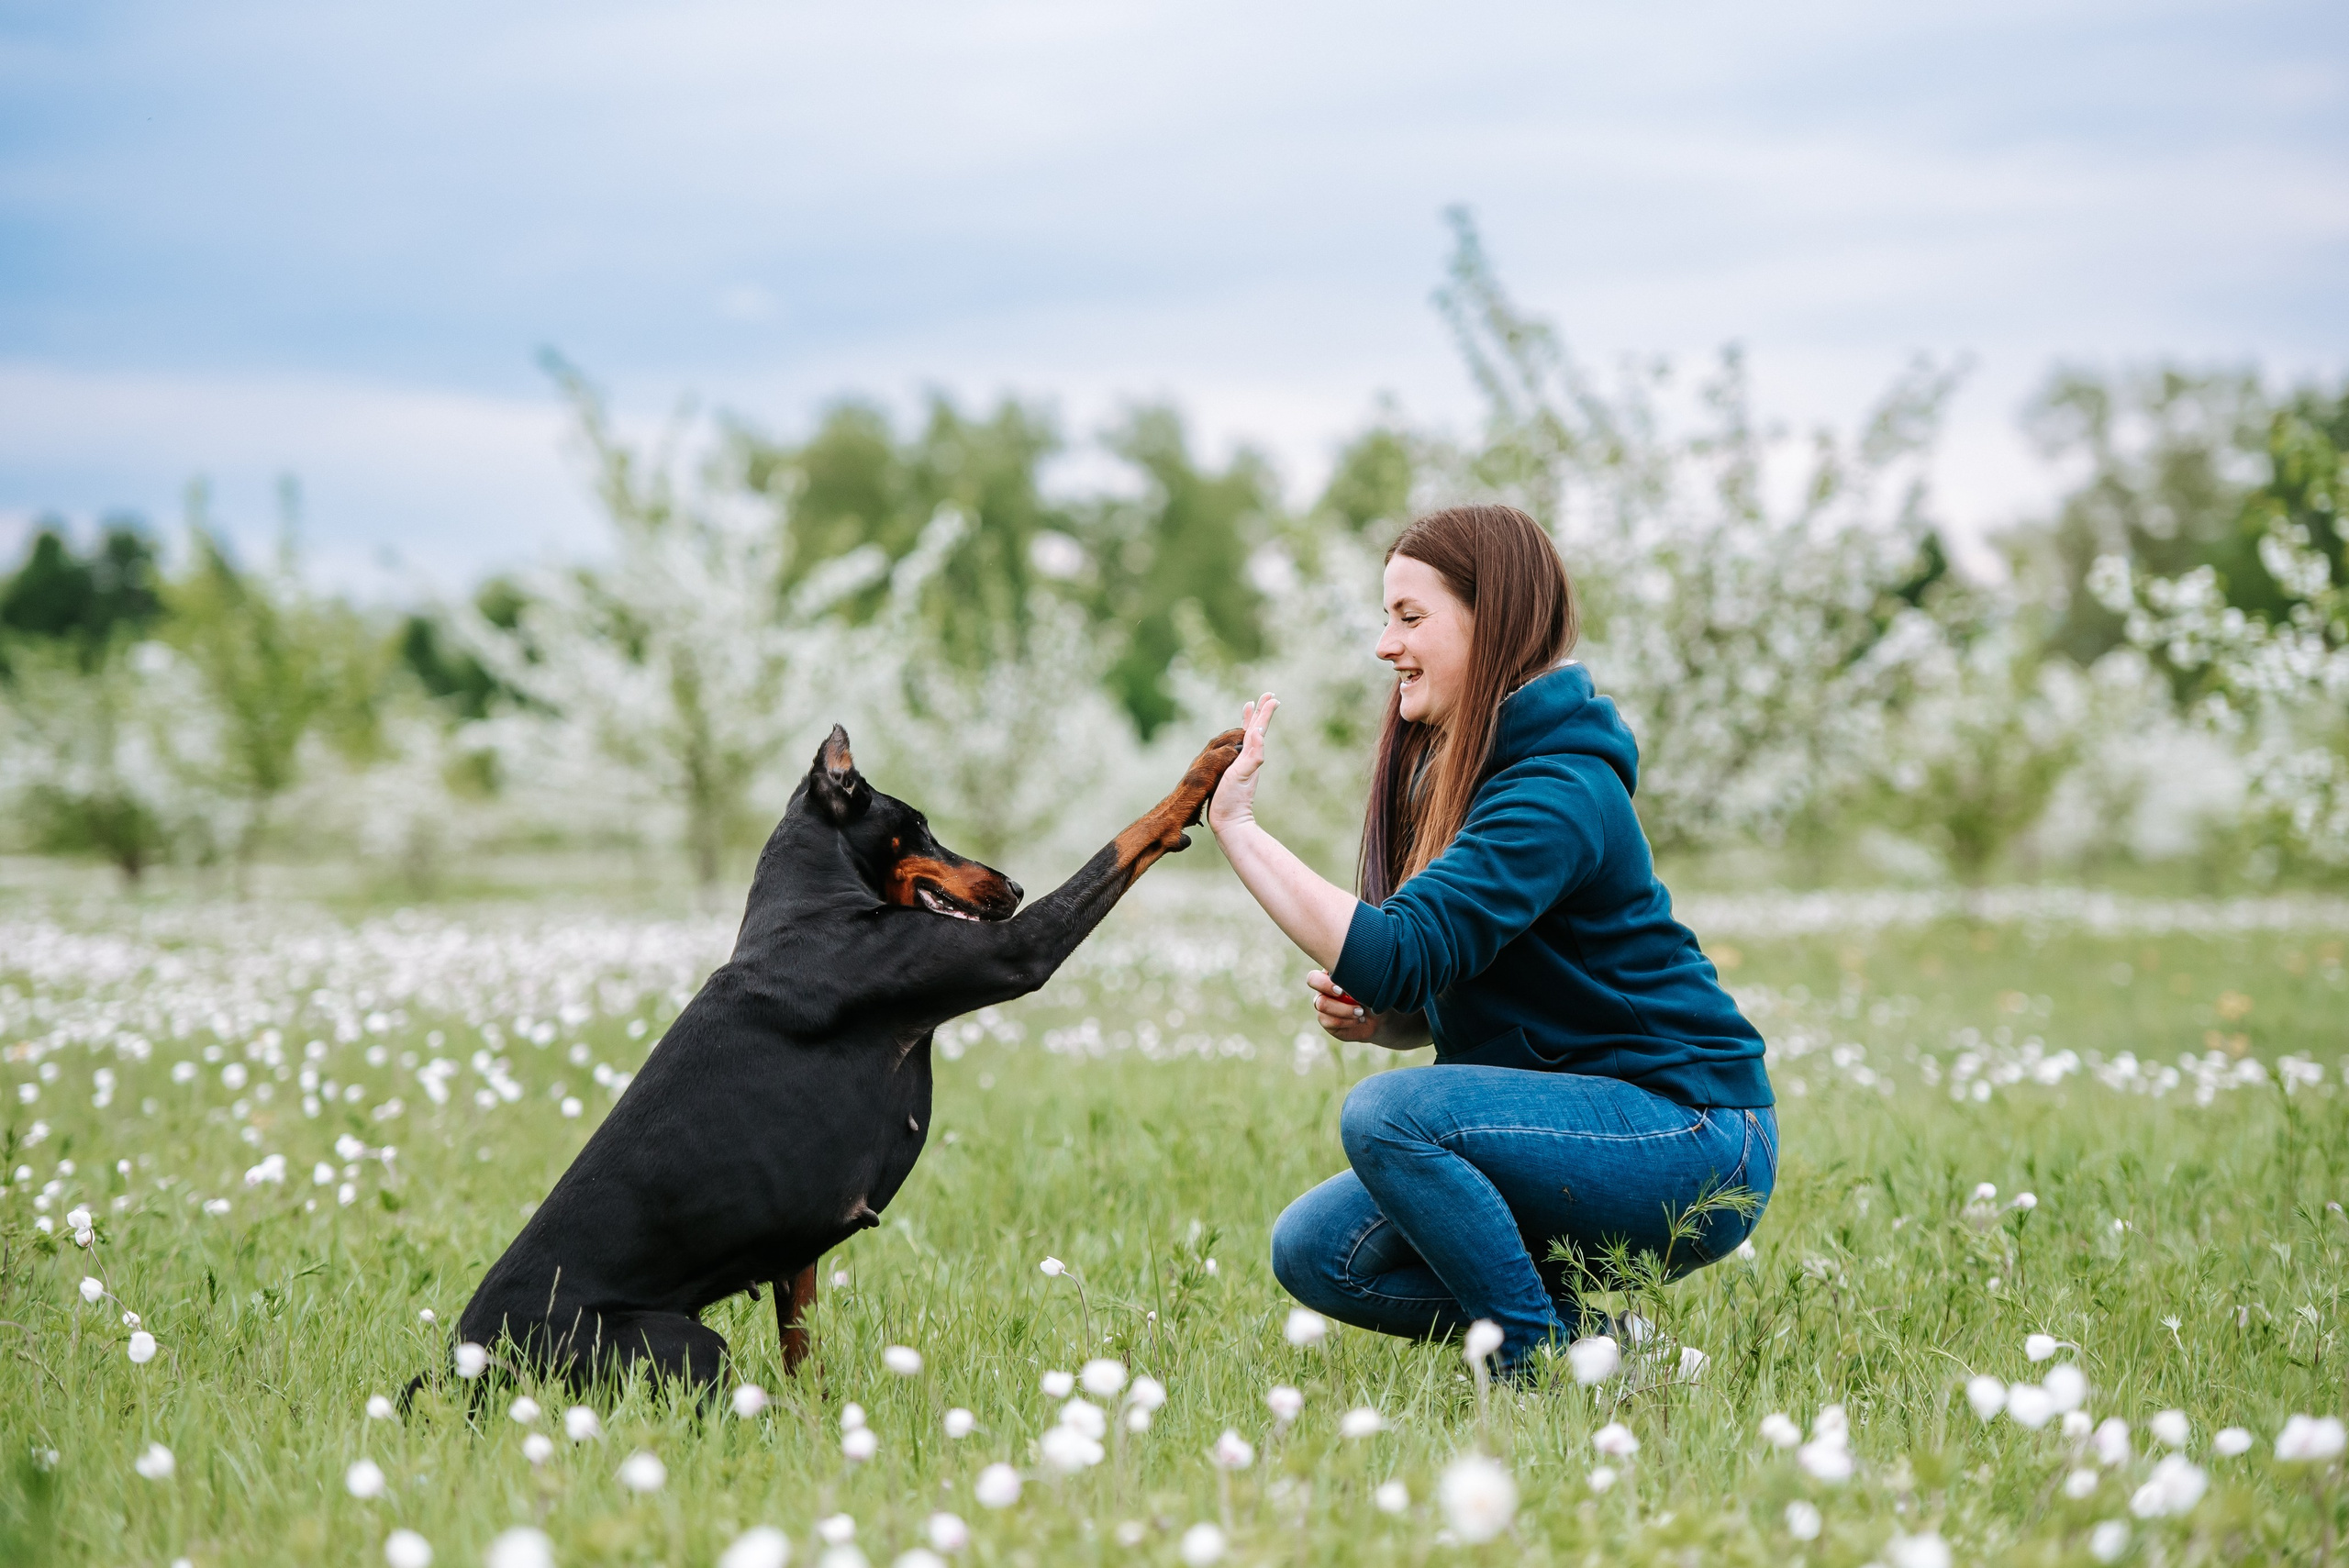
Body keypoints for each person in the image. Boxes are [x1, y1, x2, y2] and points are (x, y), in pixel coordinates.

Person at [1204, 503, 1775, 1376]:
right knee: (1317, 1248)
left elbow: (1399, 950)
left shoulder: (1556, 788)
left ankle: (1533, 1370)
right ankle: (1610, 1355)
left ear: (1493, 617)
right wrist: (1394, 1022)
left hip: (1691, 1132)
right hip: (1592, 1117)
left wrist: (1239, 828)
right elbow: (1479, 977)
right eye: (1386, 616)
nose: (1385, 644)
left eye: (1410, 616)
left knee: (1389, 1115)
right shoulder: (1472, 771)